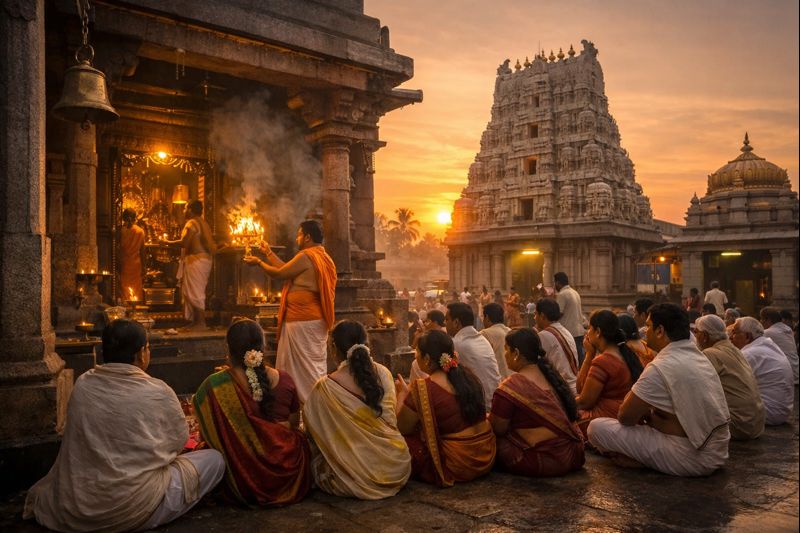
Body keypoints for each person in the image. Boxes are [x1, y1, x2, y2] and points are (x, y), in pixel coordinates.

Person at [24, 319, 225, 531]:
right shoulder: (158, 391)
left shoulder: (82, 384)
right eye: (148, 348)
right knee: (215, 460)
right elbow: (179, 441)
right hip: (134, 506)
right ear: (140, 354)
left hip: (77, 504)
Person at [587, 303, 730, 477]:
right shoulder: (700, 357)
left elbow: (625, 417)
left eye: (648, 326)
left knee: (596, 428)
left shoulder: (660, 366)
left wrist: (650, 417)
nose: (645, 331)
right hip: (719, 452)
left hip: (692, 458)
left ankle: (641, 460)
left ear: (660, 331)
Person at [193, 319, 310, 506]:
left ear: (229, 349)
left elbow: (206, 431)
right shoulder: (285, 379)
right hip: (287, 470)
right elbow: (294, 426)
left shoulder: (214, 385)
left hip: (241, 475)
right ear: (262, 347)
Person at [303, 320, 410, 499]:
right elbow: (391, 422)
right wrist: (403, 396)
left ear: (334, 347)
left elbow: (311, 432)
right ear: (365, 343)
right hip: (395, 469)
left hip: (353, 479)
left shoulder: (325, 388)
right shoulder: (383, 373)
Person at [245, 220, 336, 403]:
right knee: (310, 368)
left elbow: (279, 274)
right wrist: (268, 253)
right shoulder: (322, 256)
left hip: (303, 323)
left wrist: (259, 262)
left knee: (304, 370)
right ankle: (310, 405)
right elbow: (285, 269)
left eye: (299, 234)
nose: (297, 238)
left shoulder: (307, 256)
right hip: (311, 323)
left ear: (308, 237)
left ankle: (311, 405)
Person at [396, 330, 496, 486]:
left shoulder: (423, 388)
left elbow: (402, 427)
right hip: (486, 454)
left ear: (427, 359)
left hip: (457, 464)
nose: (416, 358)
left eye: (417, 355)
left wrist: (402, 395)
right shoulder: (469, 377)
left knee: (399, 443)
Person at [490, 328, 584, 477]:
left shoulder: (512, 386)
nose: (505, 354)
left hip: (544, 459)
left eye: (506, 350)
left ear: (516, 354)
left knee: (489, 439)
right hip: (574, 453)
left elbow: (498, 429)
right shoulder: (551, 375)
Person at [694, 315, 765, 440]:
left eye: (696, 332)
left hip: (739, 426)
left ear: (705, 336)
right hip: (756, 424)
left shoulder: (709, 353)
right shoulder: (735, 349)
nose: (695, 337)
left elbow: (696, 389)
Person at [575, 310, 643, 436]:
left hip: (605, 418)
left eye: (589, 328)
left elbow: (585, 401)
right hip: (619, 415)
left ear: (598, 332)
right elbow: (581, 390)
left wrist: (563, 403)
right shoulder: (625, 352)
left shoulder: (603, 361)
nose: (587, 333)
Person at [730, 317, 794, 425]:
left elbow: (732, 383)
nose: (731, 337)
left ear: (747, 336)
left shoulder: (750, 353)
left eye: (734, 333)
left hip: (768, 412)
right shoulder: (766, 345)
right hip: (782, 411)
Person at [164, 200, 216, 330]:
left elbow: (184, 243)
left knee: (195, 292)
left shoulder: (192, 223)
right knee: (192, 291)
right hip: (202, 260)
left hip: (196, 261)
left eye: (186, 208)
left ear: (191, 210)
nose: (183, 211)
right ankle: (195, 322)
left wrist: (166, 242)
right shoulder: (203, 223)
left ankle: (200, 323)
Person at [445, 302, 502, 410]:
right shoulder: (482, 339)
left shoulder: (457, 343)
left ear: (456, 322)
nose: (445, 323)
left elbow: (444, 372)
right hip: (495, 400)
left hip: (481, 406)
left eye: (447, 319)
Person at [533, 298, 579, 394]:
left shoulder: (544, 335)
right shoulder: (565, 331)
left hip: (562, 390)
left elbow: (535, 365)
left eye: (535, 314)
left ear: (542, 316)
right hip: (574, 385)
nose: (534, 318)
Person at [760, 307, 799, 384]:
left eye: (761, 319)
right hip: (795, 371)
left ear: (768, 320)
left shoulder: (768, 333)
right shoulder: (788, 329)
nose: (760, 322)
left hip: (785, 377)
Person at [554, 272, 586, 365]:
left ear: (558, 283)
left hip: (568, 332)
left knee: (571, 360)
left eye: (555, 283)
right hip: (579, 331)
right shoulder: (575, 292)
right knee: (579, 358)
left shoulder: (562, 294)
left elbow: (558, 313)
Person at [118, 208, 146, 302]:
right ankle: (136, 307)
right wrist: (144, 267)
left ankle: (125, 308)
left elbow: (118, 248)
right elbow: (142, 251)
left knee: (124, 289)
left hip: (124, 264)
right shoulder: (140, 231)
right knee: (136, 289)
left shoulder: (121, 231)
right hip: (136, 265)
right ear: (134, 218)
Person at [480, 303, 512, 378]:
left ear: (487, 317)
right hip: (513, 379)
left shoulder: (485, 333)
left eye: (483, 317)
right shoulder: (510, 331)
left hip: (498, 380)